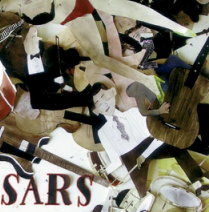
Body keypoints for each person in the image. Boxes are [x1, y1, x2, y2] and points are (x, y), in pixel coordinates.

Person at [72, 83, 206, 198]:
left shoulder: (134, 112)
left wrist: (144, 155)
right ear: (95, 110)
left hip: (149, 146)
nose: (105, 104)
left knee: (177, 150)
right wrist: (106, 172)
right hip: (130, 159)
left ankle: (200, 182)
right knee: (139, 186)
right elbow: (115, 159)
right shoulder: (103, 132)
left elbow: (155, 134)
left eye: (105, 98)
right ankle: (145, 199)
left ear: (113, 92)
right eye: (99, 104)